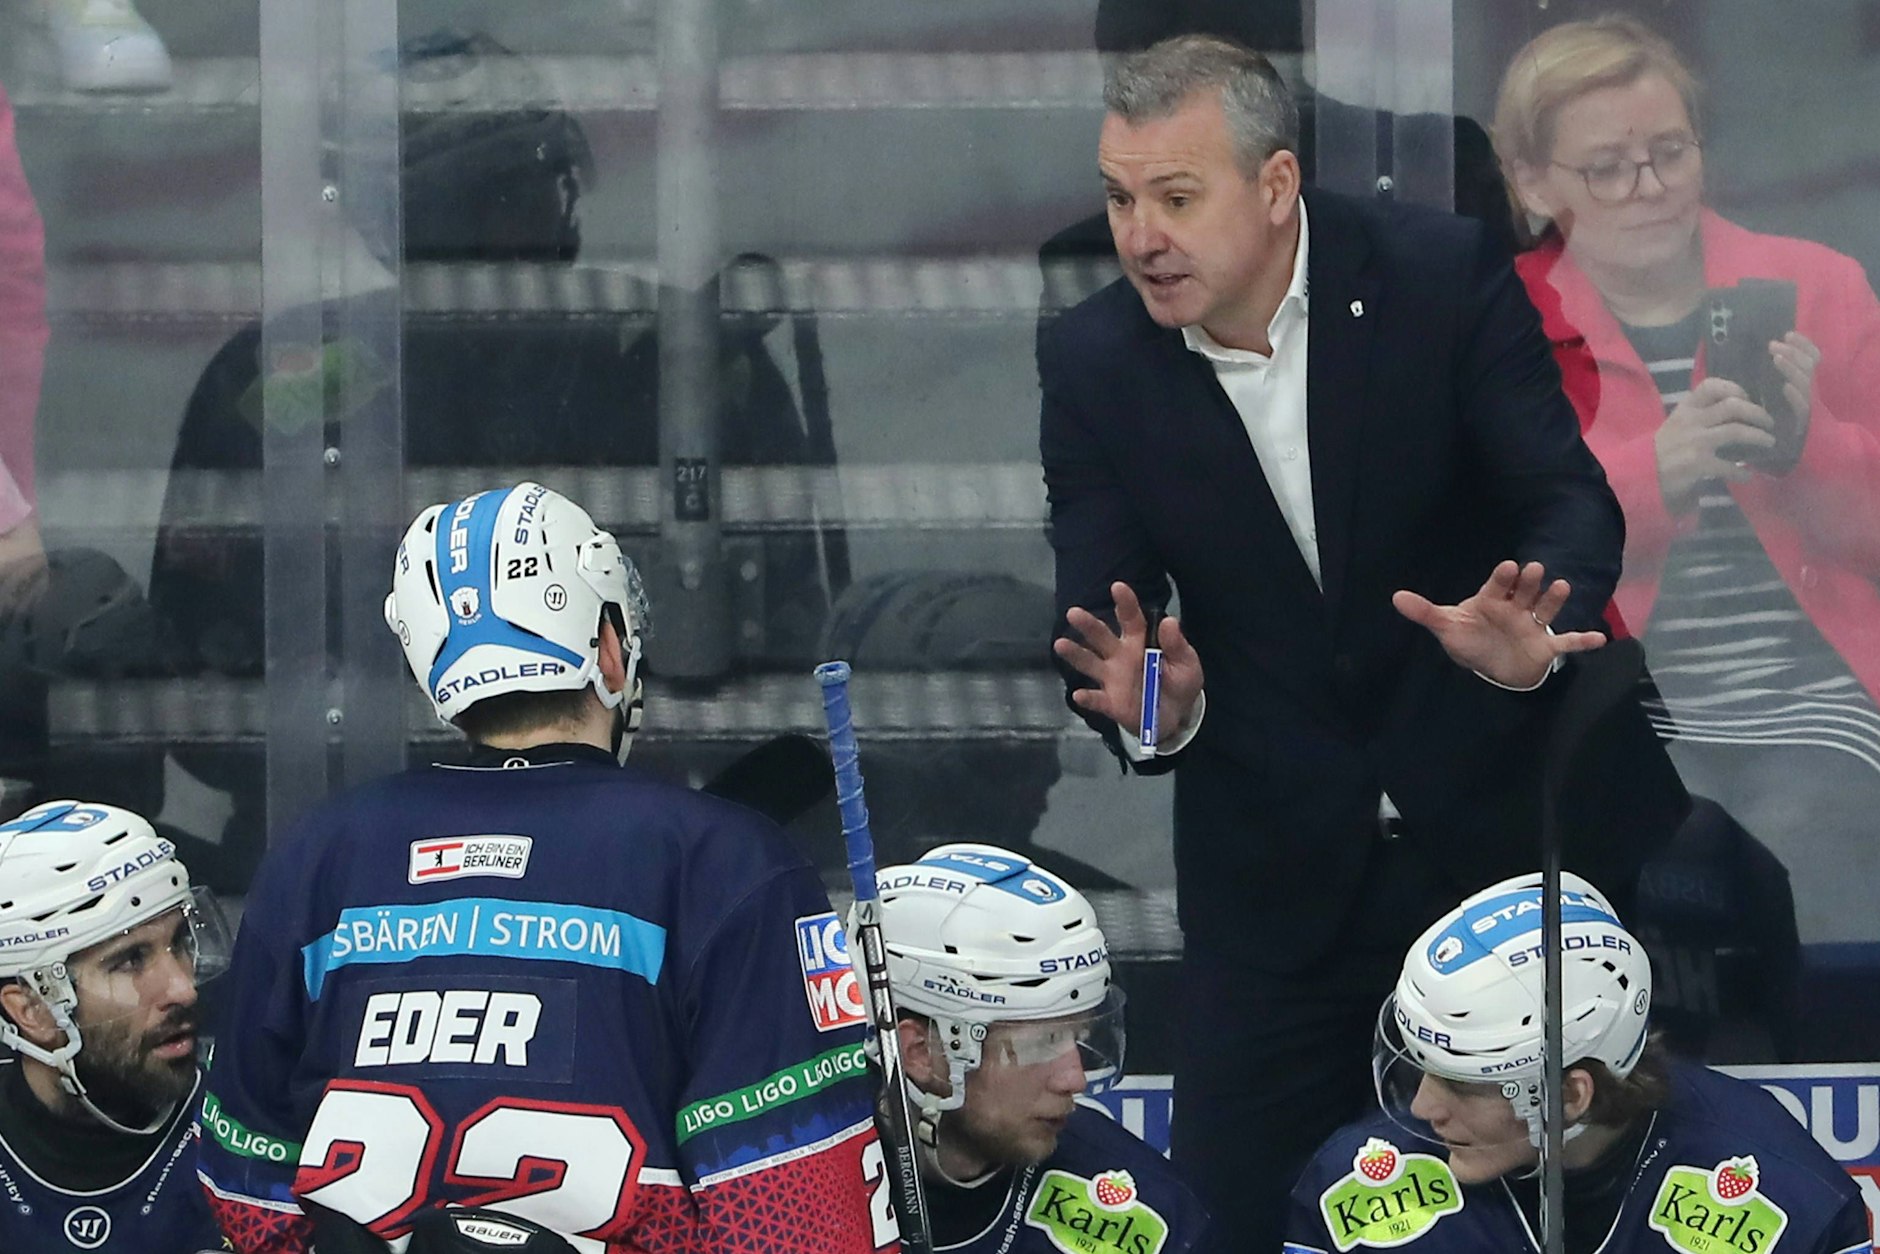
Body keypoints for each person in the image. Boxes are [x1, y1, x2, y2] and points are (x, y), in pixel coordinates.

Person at [1040, 33, 1687, 1250]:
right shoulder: (1090, 358)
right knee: (1227, 1221)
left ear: (1275, 184)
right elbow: (1105, 617)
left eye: (1176, 198)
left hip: (1502, 854)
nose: (1140, 236)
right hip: (1275, 888)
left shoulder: (1432, 274)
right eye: (1120, 198)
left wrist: (1530, 631)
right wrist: (1153, 710)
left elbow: (1567, 499)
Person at [196, 482, 895, 1253]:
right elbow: (795, 1224)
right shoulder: (730, 863)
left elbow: (245, 1186)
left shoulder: (317, 854)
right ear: (607, 648)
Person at [1495, 16, 1880, 951]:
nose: (1651, 187)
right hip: (1612, 708)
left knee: (1811, 825)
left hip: (1815, 705)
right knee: (1635, 850)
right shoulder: (1503, 316)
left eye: (1671, 152)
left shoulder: (1815, 284)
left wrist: (1807, 449)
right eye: (1610, 167)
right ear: (1534, 181)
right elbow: (1485, 553)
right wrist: (1652, 478)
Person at [1286, 871, 1872, 1254]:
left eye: (1462, 1084)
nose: (1422, 1108)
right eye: (1421, 1067)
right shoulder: (1353, 1192)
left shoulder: (1791, 1204)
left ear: (1570, 1095)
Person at [877, 843, 1210, 1253]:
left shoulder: (1144, 1217)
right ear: (921, 1052)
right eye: (1040, 1043)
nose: (1074, 1078)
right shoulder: (793, 1188)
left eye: (1080, 1035)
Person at [0, 798, 232, 1252]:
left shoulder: (246, 1135)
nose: (183, 988)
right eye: (130, 960)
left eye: (181, 943)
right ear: (34, 1010)